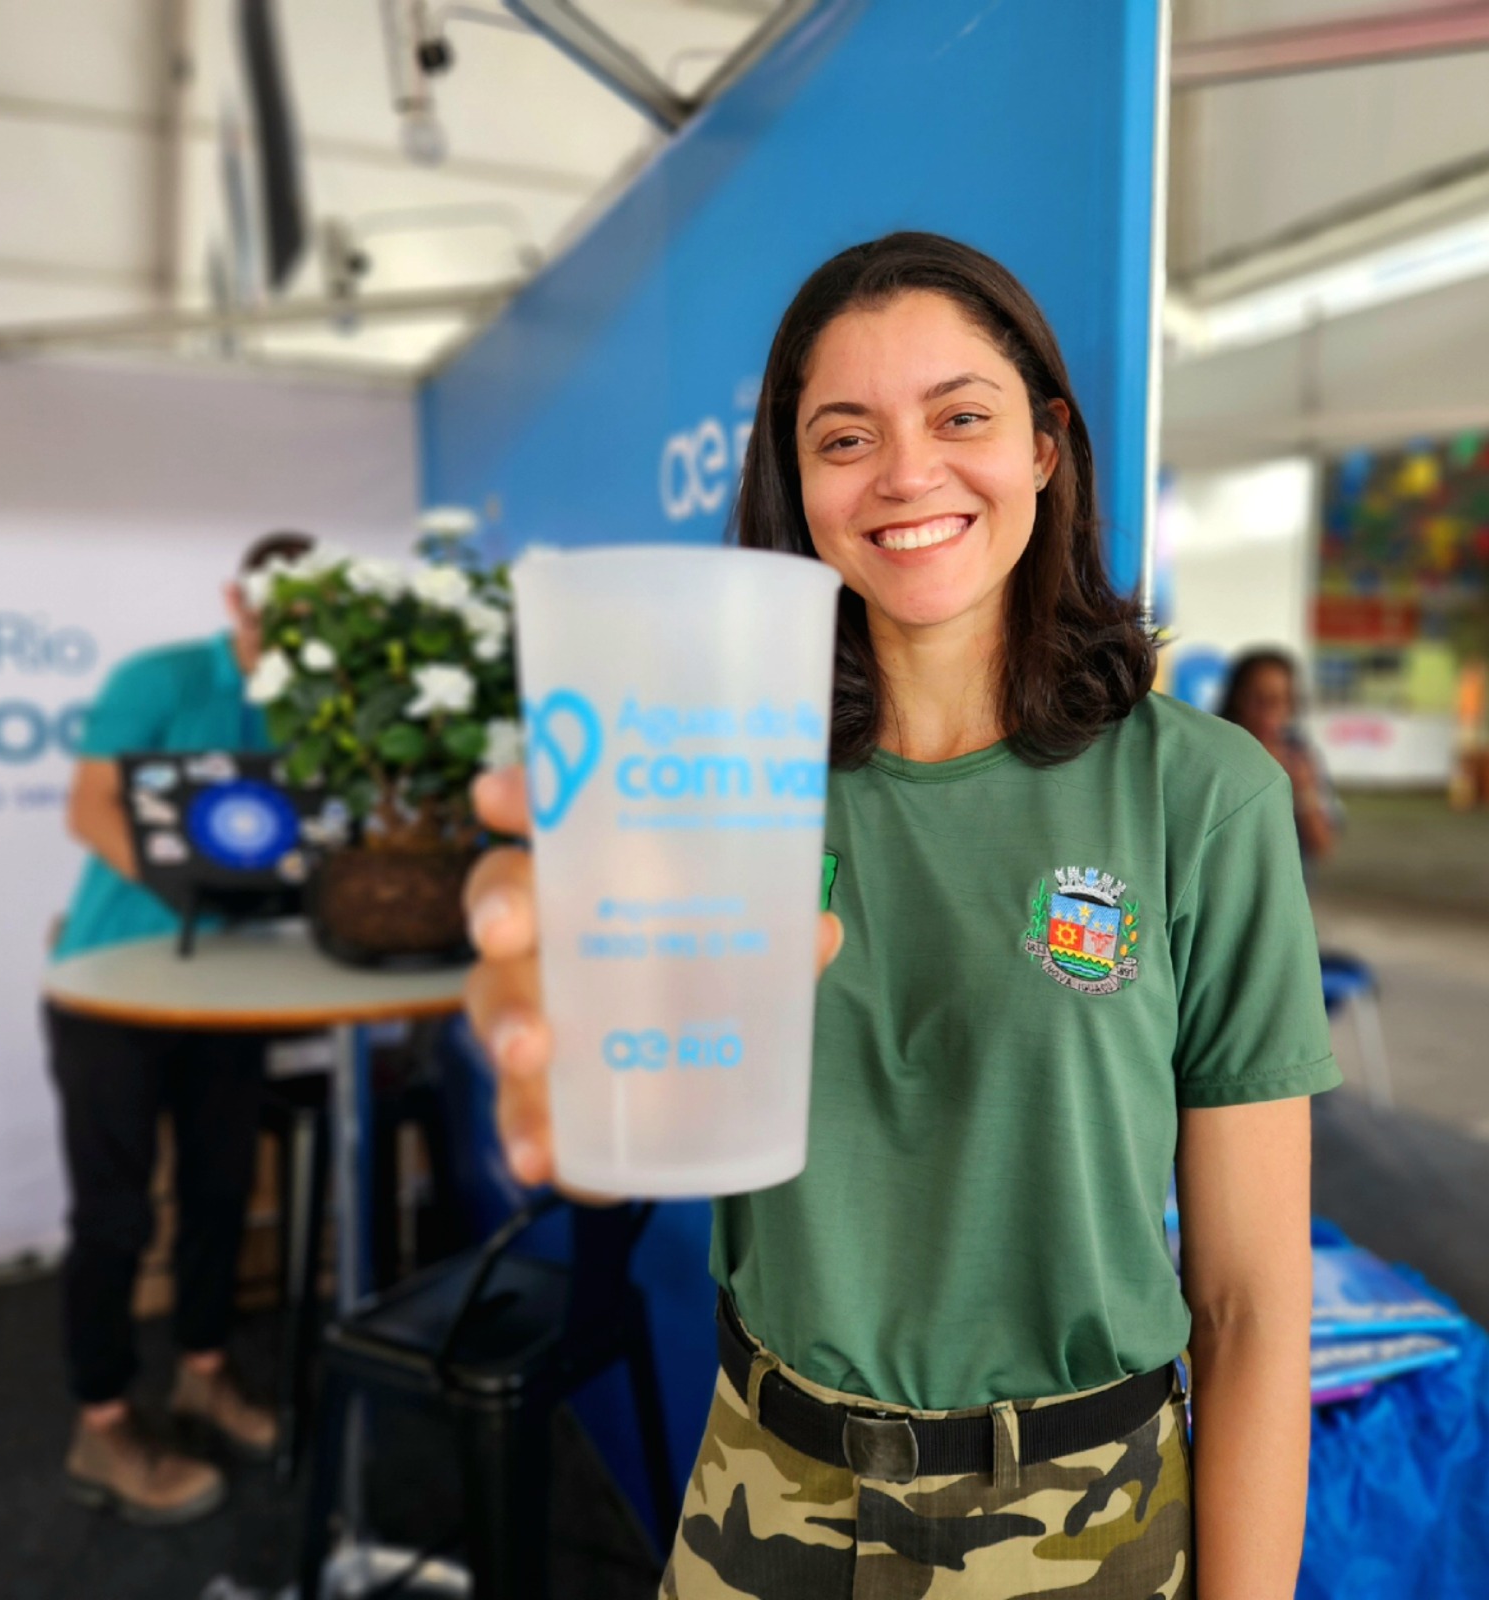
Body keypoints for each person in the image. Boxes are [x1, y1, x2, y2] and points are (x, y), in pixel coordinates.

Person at [464, 234, 1340, 1599]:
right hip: (763, 1484)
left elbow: (1247, 1302)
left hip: (1081, 1520)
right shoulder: (718, 783)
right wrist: (559, 1033)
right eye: (845, 436)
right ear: (797, 484)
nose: (908, 474)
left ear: (1046, 447)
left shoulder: (1200, 793)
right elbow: (623, 1097)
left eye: (962, 417)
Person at [45, 530, 311, 1524]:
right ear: (237, 600)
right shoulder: (155, 676)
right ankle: (103, 1419)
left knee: (218, 1188)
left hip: (228, 990)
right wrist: (198, 904)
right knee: (114, 1211)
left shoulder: (306, 705)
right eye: (274, 605)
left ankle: (203, 1368)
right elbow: (89, 809)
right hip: (108, 985)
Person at [1218, 648, 1341, 864]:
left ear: (1292, 704)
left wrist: (1302, 790)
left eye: (1278, 700)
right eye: (1256, 698)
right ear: (1235, 698)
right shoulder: (1212, 753)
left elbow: (1322, 844)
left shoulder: (1301, 758)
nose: (1267, 711)